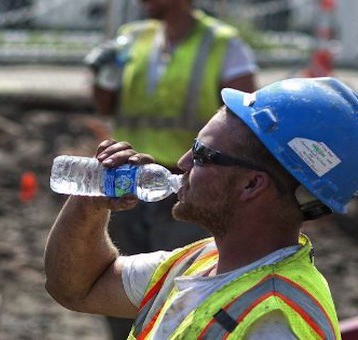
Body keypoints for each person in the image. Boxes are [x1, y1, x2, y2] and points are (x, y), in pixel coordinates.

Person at [44, 77, 357, 339]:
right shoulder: (203, 260)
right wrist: (90, 201)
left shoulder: (274, 320)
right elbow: (78, 286)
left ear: (251, 185)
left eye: (202, 154)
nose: (182, 163)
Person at [84, 1, 258, 336]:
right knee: (117, 280)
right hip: (128, 182)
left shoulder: (222, 43)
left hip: (188, 187)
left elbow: (245, 122)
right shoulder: (132, 38)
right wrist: (103, 74)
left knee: (179, 286)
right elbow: (104, 104)